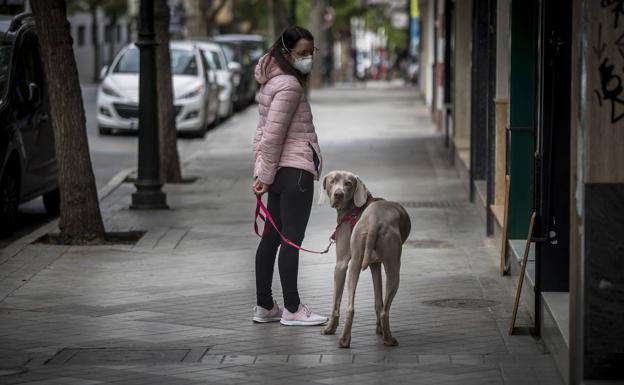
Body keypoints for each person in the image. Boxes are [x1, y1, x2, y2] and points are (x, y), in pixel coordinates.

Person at [251, 26, 328, 326]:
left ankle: (264, 306)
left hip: (281, 172)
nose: (308, 58)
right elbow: (271, 137)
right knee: (291, 241)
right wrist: (264, 176)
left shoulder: (272, 83)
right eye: (302, 53)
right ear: (286, 53)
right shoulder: (290, 86)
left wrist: (262, 172)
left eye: (312, 52)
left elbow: (261, 135)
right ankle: (293, 309)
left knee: (272, 238)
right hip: (295, 173)